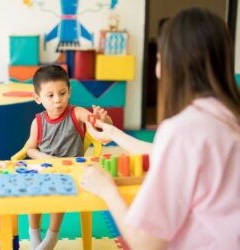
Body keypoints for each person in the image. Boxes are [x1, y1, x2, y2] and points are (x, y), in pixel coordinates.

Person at [80, 7, 240, 250]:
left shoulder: (182, 130)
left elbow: (145, 242)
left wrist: (106, 189)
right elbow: (166, 153)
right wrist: (112, 133)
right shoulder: (229, 118)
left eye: (158, 58)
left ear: (171, 63)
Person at [27, 64, 112, 250]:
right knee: (30, 191)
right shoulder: (38, 122)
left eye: (62, 93)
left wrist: (103, 120)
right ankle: (33, 234)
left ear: (69, 91)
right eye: (50, 96)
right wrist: (45, 157)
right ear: (37, 98)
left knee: (59, 194)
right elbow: (30, 150)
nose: (58, 100)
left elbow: (98, 126)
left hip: (70, 172)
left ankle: (51, 237)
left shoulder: (77, 113)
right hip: (45, 169)